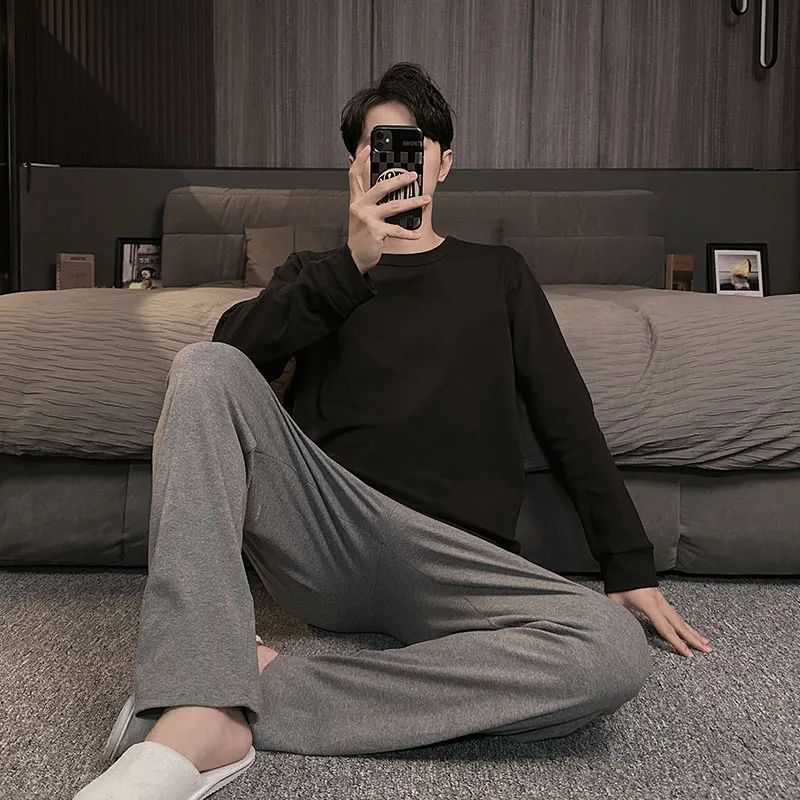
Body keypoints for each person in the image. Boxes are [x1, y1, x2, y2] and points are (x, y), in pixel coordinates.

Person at [74, 63, 712, 800]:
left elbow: (567, 419)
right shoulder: (317, 272)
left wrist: (628, 566)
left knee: (611, 651)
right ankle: (197, 705)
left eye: (414, 146)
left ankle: (229, 691)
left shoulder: (499, 274)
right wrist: (351, 267)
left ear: (444, 163)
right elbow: (230, 361)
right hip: (329, 531)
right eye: (380, 149)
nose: (399, 166)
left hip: (455, 561)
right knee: (201, 367)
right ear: (356, 168)